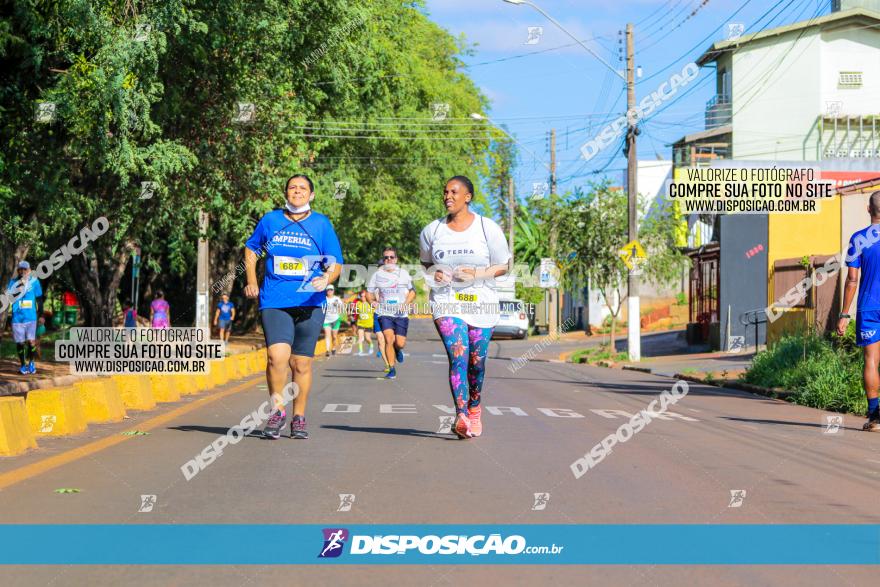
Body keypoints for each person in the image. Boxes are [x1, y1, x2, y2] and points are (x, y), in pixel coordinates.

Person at [245, 173, 343, 440]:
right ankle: (277, 411)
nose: (297, 191)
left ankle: (298, 416)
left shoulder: (321, 224)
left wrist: (327, 277)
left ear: (311, 195)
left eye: (303, 188)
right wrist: (251, 280)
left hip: (310, 302)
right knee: (276, 358)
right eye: (292, 187)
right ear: (285, 193)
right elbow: (252, 249)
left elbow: (335, 262)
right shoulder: (271, 220)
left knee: (301, 364)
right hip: (274, 300)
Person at [419, 175, 511, 439]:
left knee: (476, 363)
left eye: (454, 192)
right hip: (447, 301)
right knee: (458, 355)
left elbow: (503, 265)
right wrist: (435, 273)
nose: (447, 196)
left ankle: (474, 408)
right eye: (445, 192)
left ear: (468, 197)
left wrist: (478, 274)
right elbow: (426, 263)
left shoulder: (487, 228)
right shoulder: (431, 231)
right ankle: (460, 414)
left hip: (481, 303)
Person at [838, 190, 880, 431]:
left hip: (869, 308)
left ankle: (875, 418)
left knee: (871, 361)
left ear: (868, 209)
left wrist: (844, 314)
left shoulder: (858, 239)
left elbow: (852, 280)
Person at [366, 247, 416, 380]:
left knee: (399, 343)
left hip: (401, 314)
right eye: (386, 257)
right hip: (384, 312)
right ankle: (391, 368)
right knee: (388, 339)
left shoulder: (404, 274)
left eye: (391, 257)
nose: (388, 259)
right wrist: (372, 302)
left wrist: (405, 304)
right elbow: (368, 293)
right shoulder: (376, 275)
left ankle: (398, 350)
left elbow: (412, 292)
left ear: (396, 259)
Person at [4, 261, 43, 374]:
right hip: (17, 318)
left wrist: (41, 315)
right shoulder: (12, 282)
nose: (23, 271)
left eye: (25, 269)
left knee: (31, 342)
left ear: (29, 270)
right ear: (18, 270)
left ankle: (31, 362)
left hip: (31, 317)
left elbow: (39, 299)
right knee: (20, 343)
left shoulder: (35, 282)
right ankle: (22, 365)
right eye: (20, 269)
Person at [322, 285, 344, 357]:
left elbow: (342, 308)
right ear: (326, 291)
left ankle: (333, 348)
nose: (329, 291)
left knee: (334, 336)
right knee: (327, 335)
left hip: (335, 320)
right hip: (326, 320)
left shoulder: (336, 299)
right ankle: (327, 350)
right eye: (328, 290)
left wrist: (338, 307)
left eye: (331, 290)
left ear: (333, 291)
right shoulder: (323, 299)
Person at [355, 289, 375, 356]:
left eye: (364, 296)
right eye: (361, 296)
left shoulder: (370, 304)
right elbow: (356, 312)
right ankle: (360, 351)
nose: (363, 297)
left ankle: (371, 345)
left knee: (367, 338)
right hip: (360, 323)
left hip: (369, 324)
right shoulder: (358, 303)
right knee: (360, 338)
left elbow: (375, 312)